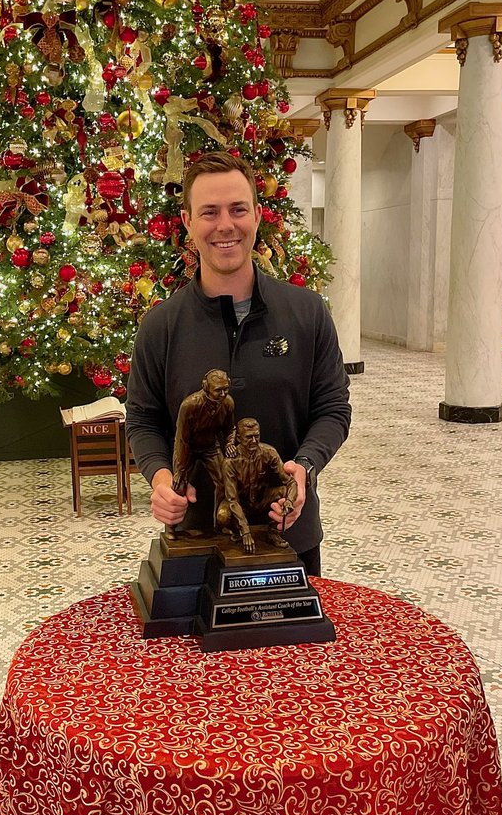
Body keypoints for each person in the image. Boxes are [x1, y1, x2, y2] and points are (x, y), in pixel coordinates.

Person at [126, 150, 351, 577]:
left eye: (237, 209)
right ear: (188, 223)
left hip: (289, 537)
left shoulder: (307, 313)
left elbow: (333, 409)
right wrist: (158, 477)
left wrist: (303, 469)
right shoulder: (161, 326)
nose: (225, 225)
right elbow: (142, 419)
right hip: (195, 544)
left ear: (258, 215)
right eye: (209, 212)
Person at [218, 417, 298, 554]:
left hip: (262, 498)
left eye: (257, 436)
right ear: (238, 437)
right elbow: (232, 499)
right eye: (249, 437)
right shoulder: (230, 462)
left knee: (285, 492)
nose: (254, 441)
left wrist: (290, 501)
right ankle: (236, 531)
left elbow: (290, 482)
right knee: (222, 515)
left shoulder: (269, 452)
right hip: (241, 503)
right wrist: (245, 532)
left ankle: (273, 532)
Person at [170, 368, 236, 530]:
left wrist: (230, 443)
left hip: (210, 447)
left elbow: (230, 429)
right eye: (218, 390)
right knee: (179, 485)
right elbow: (181, 439)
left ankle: (220, 524)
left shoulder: (227, 403)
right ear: (206, 387)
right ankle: (171, 527)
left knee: (225, 482)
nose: (223, 394)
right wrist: (180, 469)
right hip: (188, 448)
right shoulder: (190, 405)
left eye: (226, 389)